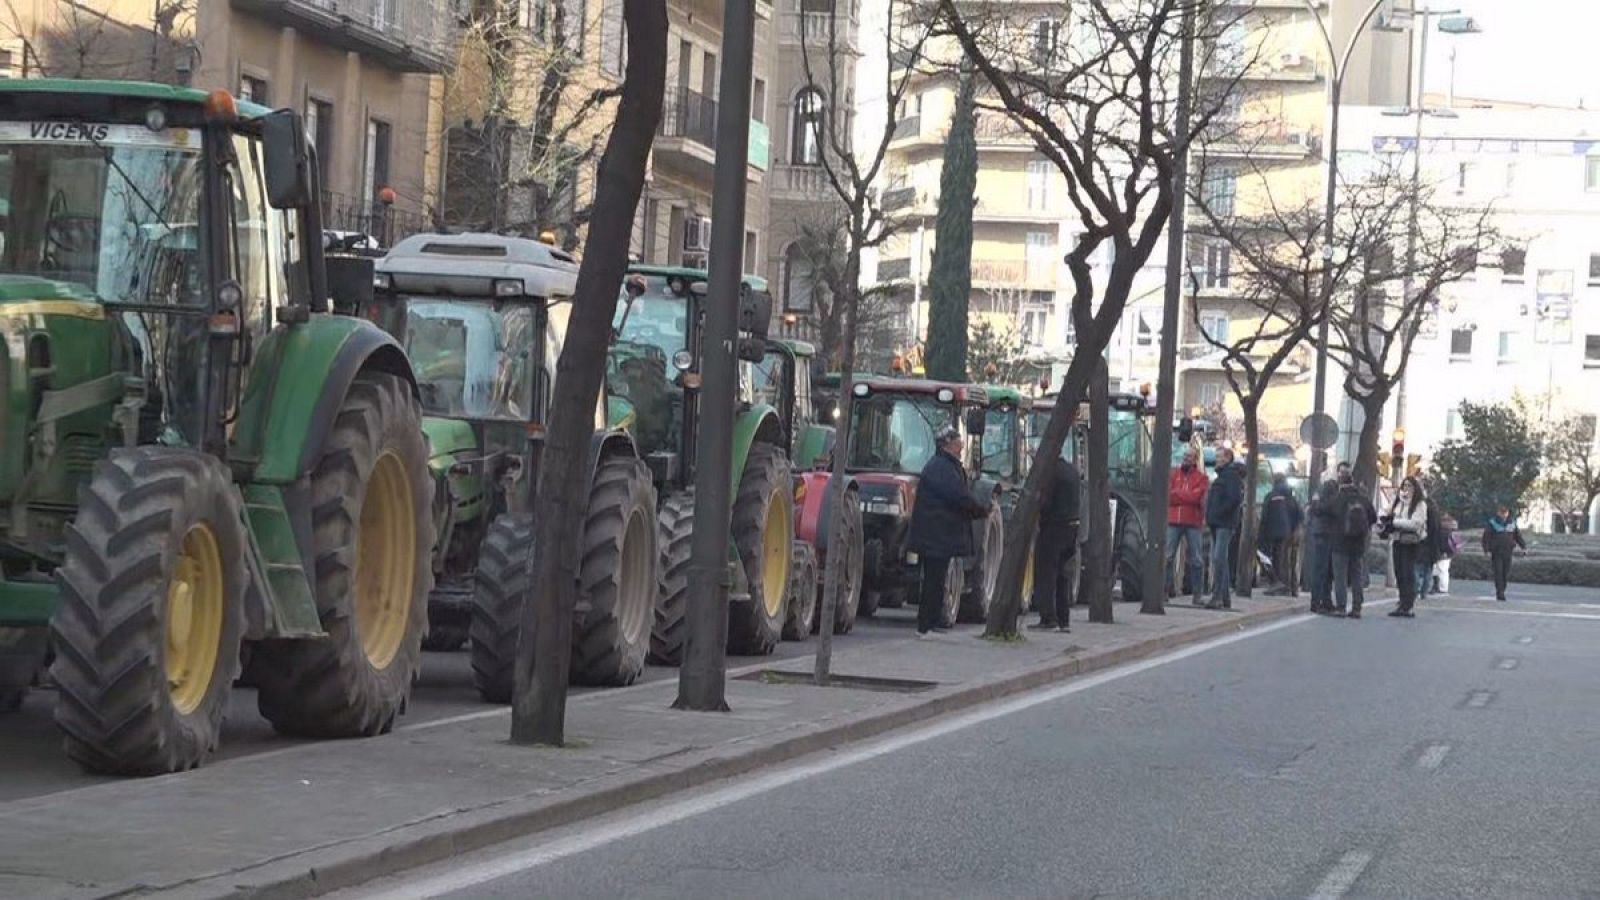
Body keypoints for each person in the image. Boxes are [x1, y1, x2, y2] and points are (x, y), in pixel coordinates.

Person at [906, 426, 990, 637]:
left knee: (937, 579)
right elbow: (958, 497)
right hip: (936, 536)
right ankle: (926, 625)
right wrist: (980, 510)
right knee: (933, 581)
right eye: (958, 442)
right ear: (948, 444)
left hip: (937, 536)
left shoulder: (944, 466)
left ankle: (931, 622)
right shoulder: (941, 468)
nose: (962, 446)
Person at [1030, 454, 1081, 633]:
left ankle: (1048, 618)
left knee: (1046, 573)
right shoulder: (1072, 471)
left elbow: (1045, 502)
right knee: (1062, 576)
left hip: (1053, 528)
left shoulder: (1051, 473)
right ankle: (1063, 620)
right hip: (1072, 528)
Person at [1329, 472, 1377, 618]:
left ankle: (1341, 607)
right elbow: (1373, 517)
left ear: (1340, 483)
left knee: (1340, 576)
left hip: (1340, 542)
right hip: (1358, 544)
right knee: (1357, 575)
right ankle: (1357, 607)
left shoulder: (1338, 498)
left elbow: (1329, 513)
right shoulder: (1363, 499)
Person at [1166, 447, 1208, 603]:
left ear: (1195, 459)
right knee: (1168, 557)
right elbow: (1169, 495)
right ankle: (1165, 591)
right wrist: (1185, 497)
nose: (1186, 459)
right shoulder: (1174, 474)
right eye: (1185, 456)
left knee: (1196, 558)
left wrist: (1178, 495)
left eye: (1189, 456)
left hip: (1192, 522)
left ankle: (1197, 594)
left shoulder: (1202, 478)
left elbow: (1196, 498)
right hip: (1174, 520)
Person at [1204, 447, 1244, 610]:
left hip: (1224, 523)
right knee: (1221, 560)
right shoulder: (1222, 476)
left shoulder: (1231, 477)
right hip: (1217, 522)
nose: (1217, 459)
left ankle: (1218, 596)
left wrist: (1219, 513)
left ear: (1228, 458)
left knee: (1219, 558)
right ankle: (1224, 597)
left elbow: (1234, 499)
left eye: (1219, 456)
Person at [1384, 476, 1429, 618]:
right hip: (1397, 540)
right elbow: (1388, 513)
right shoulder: (1399, 501)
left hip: (1411, 542)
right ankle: (1402, 602)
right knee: (1399, 573)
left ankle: (1408, 604)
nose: (1406, 489)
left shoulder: (1419, 504)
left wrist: (1396, 523)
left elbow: (1416, 523)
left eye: (1410, 486)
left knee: (1407, 572)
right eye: (1405, 485)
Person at [1259, 472, 1303, 590]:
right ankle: (1288, 586)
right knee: (1285, 560)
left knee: (1269, 556)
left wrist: (1261, 532)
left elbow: (1265, 516)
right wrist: (1293, 529)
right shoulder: (1290, 497)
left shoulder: (1270, 496)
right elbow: (1299, 514)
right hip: (1287, 532)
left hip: (1272, 532)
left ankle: (1276, 583)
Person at [1306, 478, 1340, 613]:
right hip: (1327, 535)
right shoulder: (1331, 502)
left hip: (1320, 533)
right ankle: (1318, 601)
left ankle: (1324, 600)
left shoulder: (1317, 501)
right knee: (1322, 570)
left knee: (1324, 570)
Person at [1482, 505, 1527, 602]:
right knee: (1498, 572)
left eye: (1505, 512)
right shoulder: (1492, 523)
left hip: (1508, 551)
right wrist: (1486, 550)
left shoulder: (1512, 523)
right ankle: (1500, 592)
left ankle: (1502, 588)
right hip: (1496, 552)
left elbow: (1517, 536)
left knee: (1505, 572)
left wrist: (1523, 547)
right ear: (1498, 512)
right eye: (1502, 512)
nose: (1504, 514)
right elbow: (1486, 537)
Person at [1433, 514, 1461, 594]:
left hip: (1443, 554)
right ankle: (1441, 587)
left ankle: (1442, 588)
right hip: (1447, 554)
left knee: (1441, 571)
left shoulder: (1443, 532)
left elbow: (1443, 544)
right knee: (1441, 571)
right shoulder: (1450, 532)